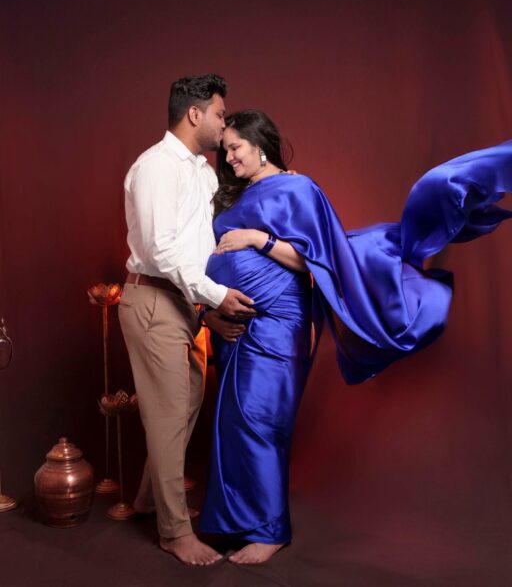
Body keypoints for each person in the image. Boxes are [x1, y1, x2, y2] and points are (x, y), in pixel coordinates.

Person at [199, 109, 512, 564]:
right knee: (232, 420)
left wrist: (256, 240)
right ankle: (234, 522)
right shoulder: (237, 195)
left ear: (260, 144)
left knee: (260, 419)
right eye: (225, 150)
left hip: (278, 321)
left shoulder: (298, 189)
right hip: (232, 323)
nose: (228, 157)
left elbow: (318, 261)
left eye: (235, 147)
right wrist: (210, 310)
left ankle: (270, 531)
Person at [118, 75, 256, 566]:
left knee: (189, 397)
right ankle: (174, 533)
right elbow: (161, 250)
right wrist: (216, 296)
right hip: (153, 299)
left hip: (182, 302)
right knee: (168, 409)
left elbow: (200, 247)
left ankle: (149, 499)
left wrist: (204, 308)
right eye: (219, 113)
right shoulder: (156, 166)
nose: (224, 123)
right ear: (194, 114)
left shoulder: (202, 171)